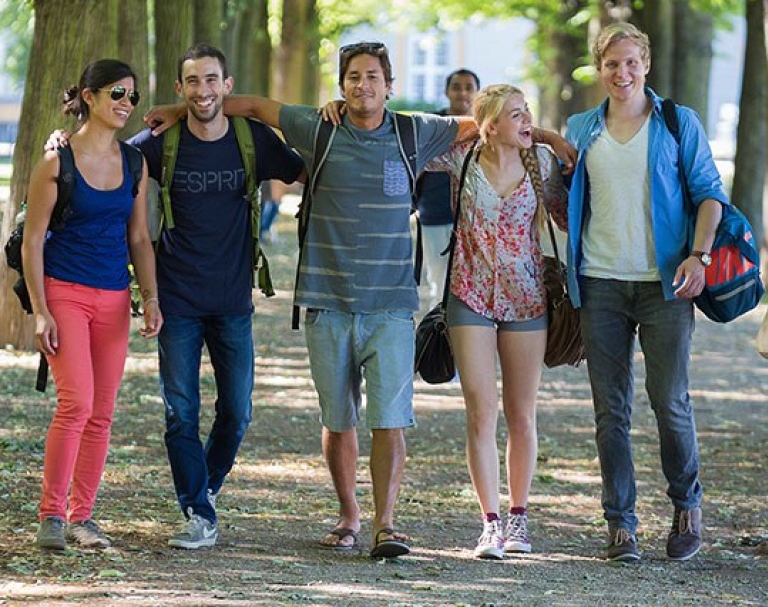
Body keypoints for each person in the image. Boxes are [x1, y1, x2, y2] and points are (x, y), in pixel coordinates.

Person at [145, 41, 577, 558]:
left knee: (390, 418)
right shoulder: (318, 127)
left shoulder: (413, 131)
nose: (363, 85)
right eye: (353, 77)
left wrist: (544, 134)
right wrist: (186, 108)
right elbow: (258, 107)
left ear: (389, 86)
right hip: (326, 299)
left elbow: (479, 123)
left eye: (373, 77)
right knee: (338, 419)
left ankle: (386, 523)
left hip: (392, 302)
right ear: (342, 84)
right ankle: (349, 515)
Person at [130, 43, 305, 550]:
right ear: (180, 89)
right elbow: (108, 162)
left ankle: (202, 489)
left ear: (227, 87)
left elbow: (309, 171)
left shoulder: (253, 140)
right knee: (179, 412)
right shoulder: (160, 144)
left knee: (237, 411)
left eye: (212, 81)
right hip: (177, 298)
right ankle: (199, 512)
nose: (203, 91)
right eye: (193, 82)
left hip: (232, 299)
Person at [564, 22, 727, 563]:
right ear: (599, 69)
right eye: (612, 63)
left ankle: (686, 506)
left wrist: (699, 256)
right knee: (610, 411)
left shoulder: (678, 123)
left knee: (670, 402)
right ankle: (621, 524)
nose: (622, 72)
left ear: (647, 64)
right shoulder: (582, 127)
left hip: (666, 285)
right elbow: (568, 202)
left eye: (631, 61)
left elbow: (709, 194)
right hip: (601, 282)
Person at [24, 59, 163, 551]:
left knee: (102, 411)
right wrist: (40, 310)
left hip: (114, 298)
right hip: (65, 292)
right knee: (76, 402)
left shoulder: (134, 163)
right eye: (117, 95)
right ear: (89, 96)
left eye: (132, 96)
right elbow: (32, 242)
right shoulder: (56, 162)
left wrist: (149, 297)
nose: (126, 104)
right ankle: (51, 516)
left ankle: (83, 516)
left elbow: (140, 238)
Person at [425, 84, 568, 559]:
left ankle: (519, 519)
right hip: (469, 295)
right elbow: (410, 141)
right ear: (488, 125)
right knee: (480, 412)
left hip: (527, 299)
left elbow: (568, 219)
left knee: (521, 414)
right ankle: (489, 523)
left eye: (528, 112)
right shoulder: (459, 158)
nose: (527, 121)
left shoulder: (541, 165)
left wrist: (551, 143)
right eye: (515, 115)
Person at [416, 69, 480, 299]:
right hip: (435, 213)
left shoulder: (486, 128)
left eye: (468, 87)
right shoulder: (431, 124)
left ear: (477, 93)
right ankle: (439, 332)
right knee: (440, 280)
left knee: (475, 283)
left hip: (475, 218)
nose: (462, 92)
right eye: (456, 86)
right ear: (446, 91)